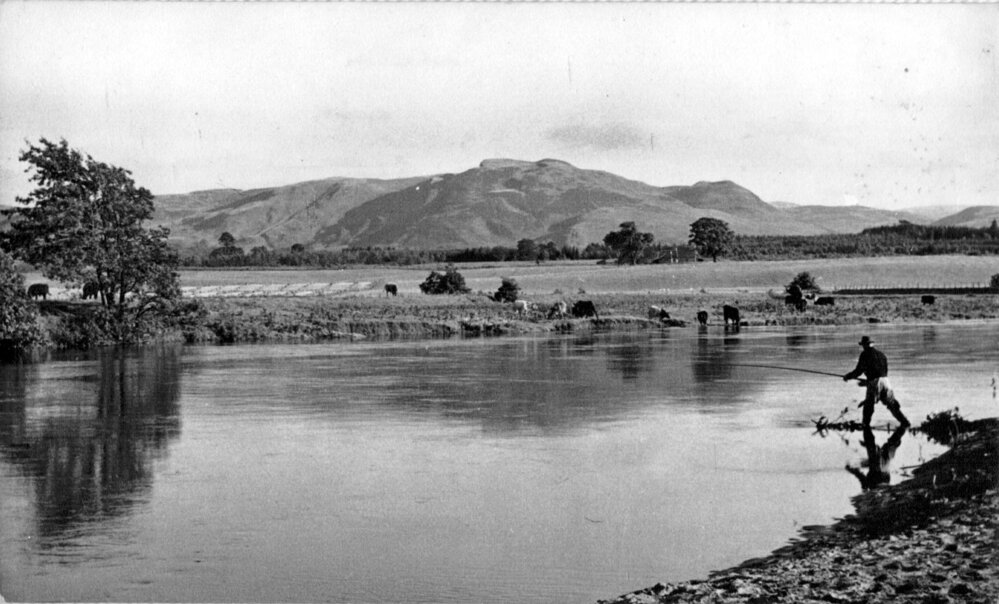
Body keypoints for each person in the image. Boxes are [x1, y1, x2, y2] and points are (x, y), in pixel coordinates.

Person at [843, 335, 910, 427]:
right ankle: (905, 422)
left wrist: (848, 376)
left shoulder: (865, 354)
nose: (863, 347)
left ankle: (865, 425)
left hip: (874, 382)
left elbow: (858, 371)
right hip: (886, 382)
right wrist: (868, 382)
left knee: (869, 405)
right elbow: (883, 372)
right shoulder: (882, 355)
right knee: (892, 404)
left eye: (863, 345)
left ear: (865, 345)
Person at [846, 424, 907, 490]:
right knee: (880, 446)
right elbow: (861, 477)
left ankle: (903, 427)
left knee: (883, 446)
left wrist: (853, 470)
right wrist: (852, 470)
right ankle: (903, 427)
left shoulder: (872, 485)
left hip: (881, 471)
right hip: (879, 470)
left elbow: (861, 476)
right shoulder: (871, 485)